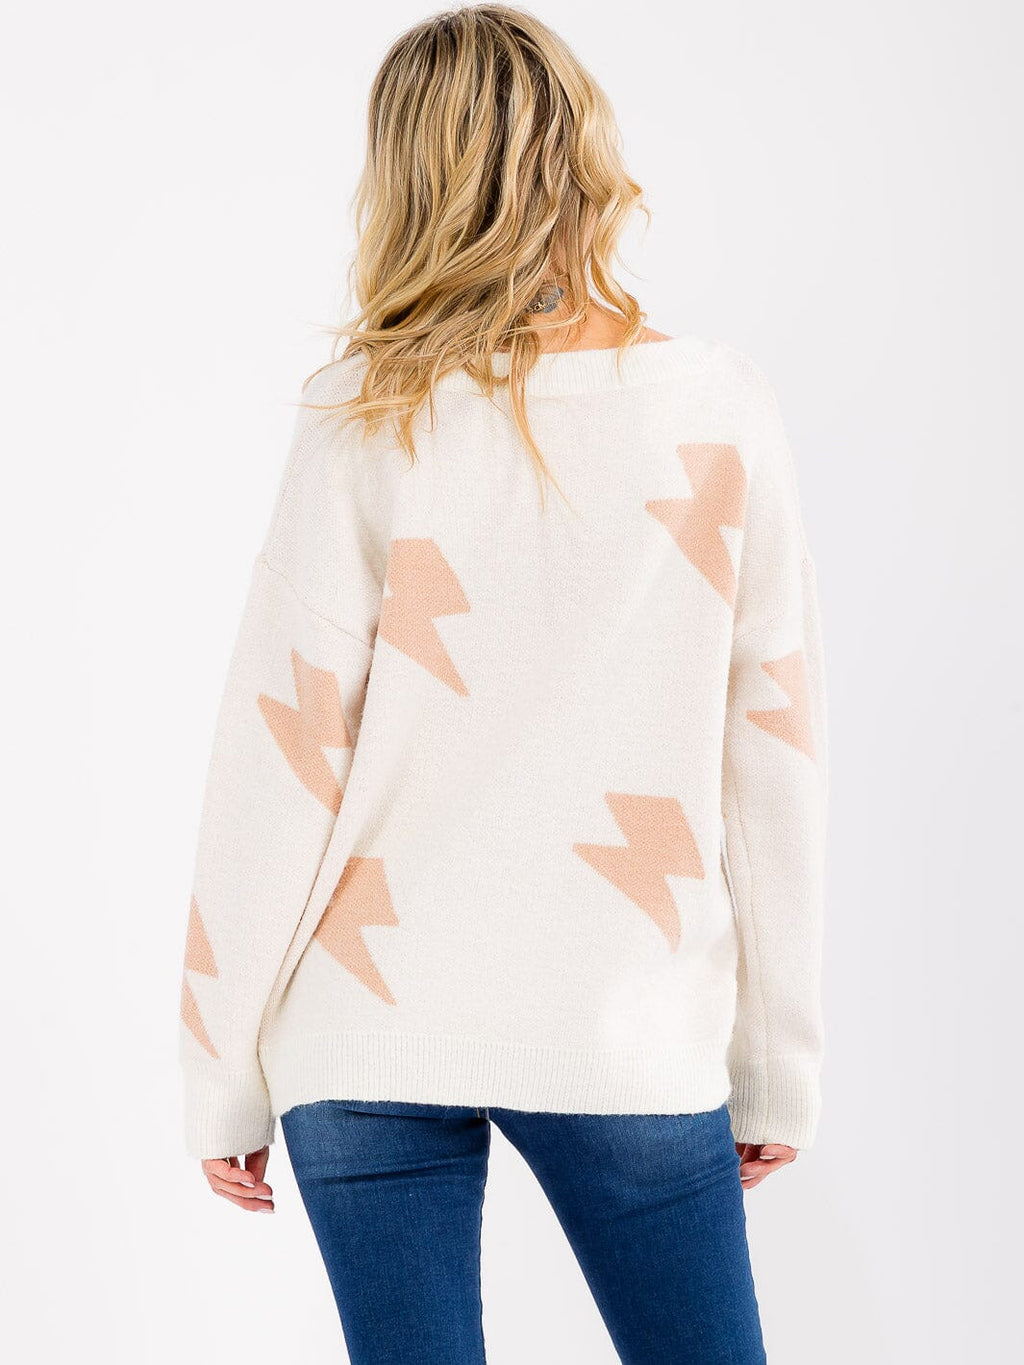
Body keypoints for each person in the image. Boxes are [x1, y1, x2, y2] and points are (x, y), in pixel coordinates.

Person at [178, 6, 828, 1362]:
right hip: (624, 1019)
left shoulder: (363, 413)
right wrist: (777, 1061)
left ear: (405, 178)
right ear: (587, 156)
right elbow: (768, 753)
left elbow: (278, 757)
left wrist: (220, 1068)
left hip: (365, 1025)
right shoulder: (715, 410)